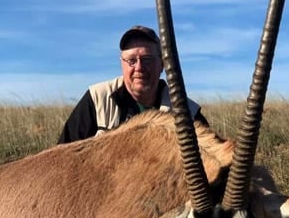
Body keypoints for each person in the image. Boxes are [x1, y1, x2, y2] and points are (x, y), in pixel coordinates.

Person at [58, 25, 209, 143]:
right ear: (121, 64)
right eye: (131, 60)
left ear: (162, 64)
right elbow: (62, 155)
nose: (139, 68)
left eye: (147, 59)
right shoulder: (97, 98)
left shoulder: (188, 112)